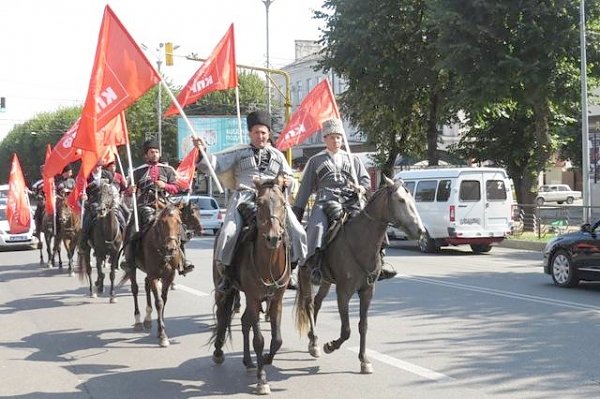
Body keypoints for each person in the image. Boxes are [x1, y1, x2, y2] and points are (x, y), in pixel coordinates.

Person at [193, 110, 307, 292]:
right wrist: (201, 151)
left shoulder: (278, 155)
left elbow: (291, 179)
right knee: (228, 233)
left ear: (268, 134)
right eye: (256, 132)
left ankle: (290, 270)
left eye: (263, 132)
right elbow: (213, 164)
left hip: (273, 201)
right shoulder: (238, 153)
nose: (260, 136)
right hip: (244, 198)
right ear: (249, 133)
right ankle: (227, 274)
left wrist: (287, 182)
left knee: (298, 231)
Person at [292, 117, 396, 284]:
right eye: (332, 137)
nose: (336, 140)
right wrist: (297, 211)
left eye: (339, 137)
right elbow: (305, 188)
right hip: (325, 201)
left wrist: (361, 188)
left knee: (372, 225)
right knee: (316, 228)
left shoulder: (352, 159)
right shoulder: (315, 160)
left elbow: (365, 180)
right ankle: (315, 266)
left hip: (350, 200)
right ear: (325, 139)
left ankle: (380, 261)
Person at [120, 139, 195, 276]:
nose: (154, 154)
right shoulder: (138, 171)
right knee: (131, 229)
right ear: (146, 155)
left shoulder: (168, 170)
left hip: (164, 205)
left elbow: (177, 188)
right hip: (144, 206)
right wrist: (131, 190)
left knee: (179, 229)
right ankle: (128, 259)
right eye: (151, 152)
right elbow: (127, 193)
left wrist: (164, 186)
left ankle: (183, 261)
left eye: (156, 152)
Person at [78, 161, 127, 252]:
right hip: (93, 203)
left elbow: (113, 189)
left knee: (123, 218)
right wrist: (83, 197)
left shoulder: (108, 174)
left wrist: (115, 202)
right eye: (95, 166)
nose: (97, 168)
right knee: (86, 222)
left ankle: (126, 244)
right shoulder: (86, 176)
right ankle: (83, 244)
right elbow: (81, 191)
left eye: (99, 166)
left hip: (108, 202)